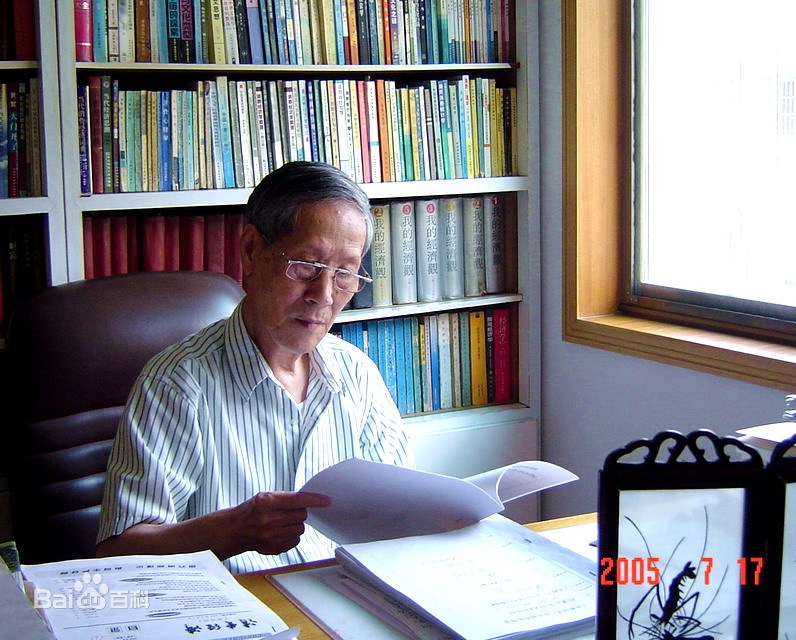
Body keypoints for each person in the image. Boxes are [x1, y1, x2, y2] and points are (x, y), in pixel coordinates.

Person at [96, 161, 414, 574]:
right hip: (235, 602)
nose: (323, 295)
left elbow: (402, 511)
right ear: (250, 250)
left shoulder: (357, 374)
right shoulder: (177, 384)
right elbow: (118, 553)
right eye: (306, 266)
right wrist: (232, 532)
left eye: (344, 274)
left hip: (342, 591)